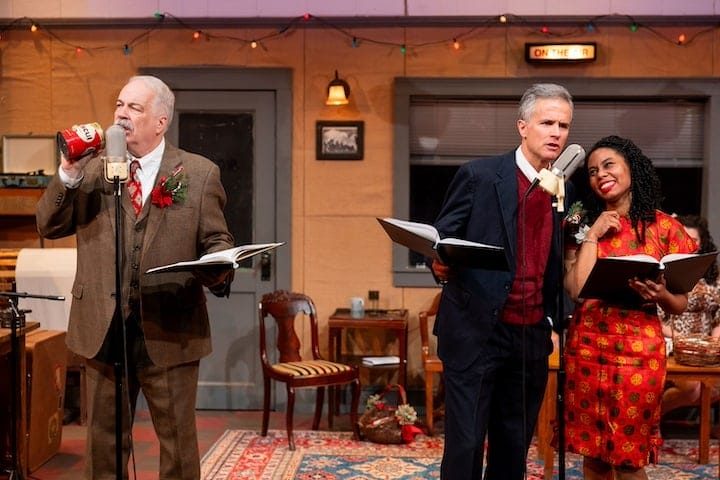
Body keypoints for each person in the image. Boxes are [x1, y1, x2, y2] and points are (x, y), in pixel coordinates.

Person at [36, 75, 235, 480]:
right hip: (102, 331)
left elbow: (216, 238)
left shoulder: (198, 174)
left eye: (135, 108)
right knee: (105, 448)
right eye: (120, 105)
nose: (121, 115)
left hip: (170, 330)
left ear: (161, 121)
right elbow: (48, 225)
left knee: (178, 448)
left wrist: (218, 262)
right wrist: (68, 172)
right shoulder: (90, 171)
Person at [430, 83, 573, 480]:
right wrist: (437, 263)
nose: (556, 132)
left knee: (513, 448)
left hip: (529, 337)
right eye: (547, 122)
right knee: (467, 444)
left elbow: (557, 263)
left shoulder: (565, 188)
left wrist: (554, 323)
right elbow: (443, 240)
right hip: (476, 331)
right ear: (523, 127)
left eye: (563, 125)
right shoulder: (478, 176)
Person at [562, 135, 697, 479]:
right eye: (592, 171)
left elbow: (680, 303)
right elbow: (577, 291)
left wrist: (660, 295)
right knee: (593, 454)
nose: (600, 175)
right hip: (588, 348)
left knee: (627, 456)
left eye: (608, 165)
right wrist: (593, 234)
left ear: (631, 169)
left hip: (639, 353)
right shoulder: (580, 225)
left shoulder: (666, 228)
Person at [659, 214, 720, 415]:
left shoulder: (714, 277)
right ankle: (653, 418)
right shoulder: (664, 274)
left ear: (702, 244)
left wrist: (712, 347)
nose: (687, 243)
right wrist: (683, 340)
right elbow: (657, 319)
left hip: (708, 349)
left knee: (712, 386)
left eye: (693, 240)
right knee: (693, 389)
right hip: (674, 346)